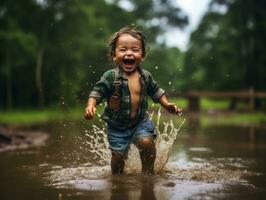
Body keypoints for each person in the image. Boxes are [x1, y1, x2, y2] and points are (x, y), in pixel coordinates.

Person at [84, 26, 182, 175]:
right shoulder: (110, 76)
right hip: (116, 126)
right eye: (123, 50)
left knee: (146, 143)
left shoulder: (145, 76)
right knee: (118, 157)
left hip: (140, 122)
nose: (129, 53)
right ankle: (117, 181)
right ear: (114, 55)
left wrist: (167, 104)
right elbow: (97, 91)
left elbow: (156, 91)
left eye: (135, 50)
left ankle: (148, 175)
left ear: (142, 55)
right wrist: (90, 106)